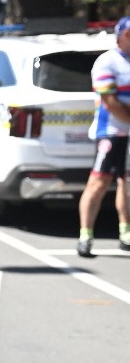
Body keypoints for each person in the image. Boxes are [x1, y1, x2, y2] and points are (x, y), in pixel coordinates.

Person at [76, 16, 130, 258]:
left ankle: (125, 233)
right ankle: (86, 235)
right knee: (99, 183)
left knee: (127, 183)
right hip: (111, 132)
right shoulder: (107, 61)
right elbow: (110, 102)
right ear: (120, 36)